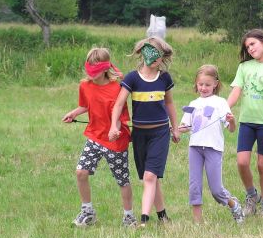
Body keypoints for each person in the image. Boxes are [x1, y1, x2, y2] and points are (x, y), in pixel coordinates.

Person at [108, 36, 180, 227]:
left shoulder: (164, 78)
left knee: (150, 176)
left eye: (160, 55)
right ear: (143, 53)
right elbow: (119, 104)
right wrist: (114, 125)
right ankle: (163, 216)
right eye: (153, 53)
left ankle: (144, 220)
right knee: (150, 177)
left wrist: (175, 127)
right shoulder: (132, 78)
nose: (156, 59)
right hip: (139, 135)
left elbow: (170, 103)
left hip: (160, 133)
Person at [62, 47, 137, 227]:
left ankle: (129, 217)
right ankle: (88, 213)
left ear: (105, 68)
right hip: (95, 136)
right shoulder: (85, 85)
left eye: (96, 71)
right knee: (81, 172)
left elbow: (119, 115)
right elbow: (85, 105)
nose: (92, 75)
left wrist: (114, 129)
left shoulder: (118, 88)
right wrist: (73, 113)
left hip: (115, 140)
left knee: (122, 180)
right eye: (90, 70)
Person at [227, 29, 263, 216]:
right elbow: (236, 91)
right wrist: (224, 108)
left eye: (253, 44)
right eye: (247, 47)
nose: (250, 49)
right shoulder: (244, 67)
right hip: (247, 122)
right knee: (242, 162)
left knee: (262, 164)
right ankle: (252, 195)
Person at [179, 65, 245, 224]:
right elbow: (184, 126)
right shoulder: (193, 103)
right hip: (195, 148)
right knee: (194, 186)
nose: (203, 88)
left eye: (207, 85)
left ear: (215, 84)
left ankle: (233, 205)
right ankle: (197, 222)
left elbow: (231, 129)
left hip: (213, 149)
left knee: (216, 189)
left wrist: (232, 121)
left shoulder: (221, 103)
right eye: (200, 84)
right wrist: (177, 129)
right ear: (196, 83)